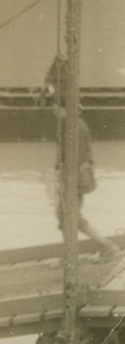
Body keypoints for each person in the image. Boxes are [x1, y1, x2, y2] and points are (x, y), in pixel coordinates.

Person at [54, 105, 118, 260]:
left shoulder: (74, 128)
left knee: (68, 216)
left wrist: (64, 183)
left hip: (74, 179)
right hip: (74, 178)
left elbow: (76, 157)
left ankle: (106, 247)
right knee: (66, 215)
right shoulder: (72, 125)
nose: (55, 111)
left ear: (66, 109)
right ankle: (72, 255)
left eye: (58, 108)